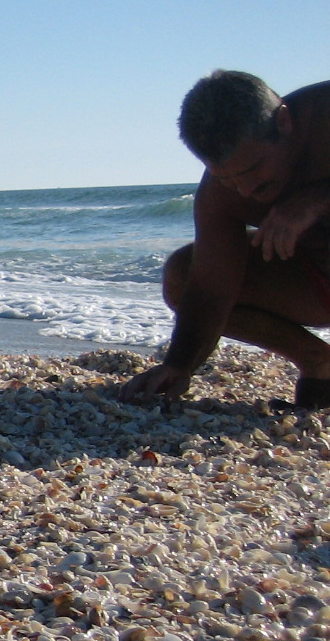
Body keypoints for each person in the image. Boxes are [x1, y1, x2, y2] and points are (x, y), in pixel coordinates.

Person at [121, 72, 330, 409]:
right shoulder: (220, 194)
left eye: (253, 170)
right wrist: (179, 364)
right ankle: (318, 361)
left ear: (284, 121)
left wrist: (316, 200)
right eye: (228, 179)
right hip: (317, 281)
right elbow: (211, 289)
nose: (246, 190)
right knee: (183, 274)